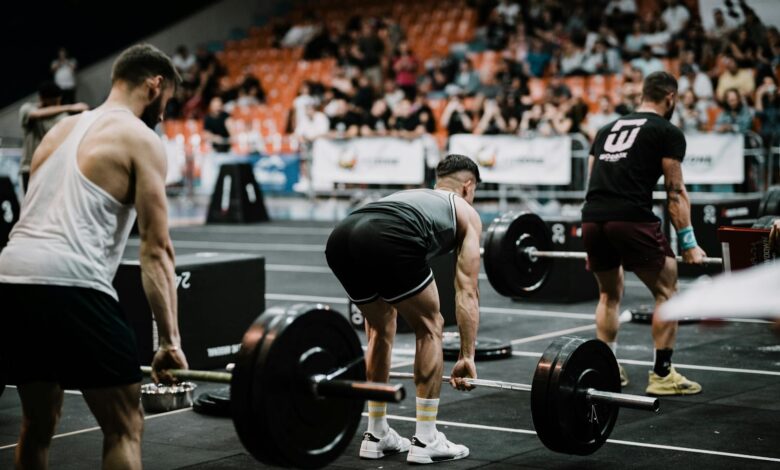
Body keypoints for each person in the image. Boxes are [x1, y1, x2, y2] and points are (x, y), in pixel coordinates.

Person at [0, 44, 188, 469]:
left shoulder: (59, 131)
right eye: (168, 101)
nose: (163, 113)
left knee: (37, 422)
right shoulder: (142, 139)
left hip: (10, 279)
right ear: (154, 85)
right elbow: (156, 252)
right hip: (73, 283)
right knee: (124, 427)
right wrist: (170, 343)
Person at [326, 154, 482, 464]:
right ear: (468, 186)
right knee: (430, 327)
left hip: (342, 235)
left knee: (379, 330)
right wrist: (466, 356)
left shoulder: (416, 195)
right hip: (389, 233)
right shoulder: (466, 211)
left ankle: (376, 433)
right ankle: (426, 439)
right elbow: (466, 291)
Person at [582, 71, 703, 396]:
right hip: (631, 218)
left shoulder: (606, 129)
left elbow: (595, 181)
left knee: (608, 295)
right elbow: (675, 191)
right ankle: (662, 375)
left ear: (642, 95)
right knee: (667, 291)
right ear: (671, 98)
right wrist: (689, 244)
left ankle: (607, 368)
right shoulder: (667, 131)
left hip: (593, 218)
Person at [19, 82, 88, 192]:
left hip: (52, 169)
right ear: (42, 99)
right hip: (30, 169)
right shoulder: (27, 108)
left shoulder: (61, 116)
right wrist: (70, 107)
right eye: (54, 101)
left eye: (58, 100)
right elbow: (37, 114)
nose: (58, 103)